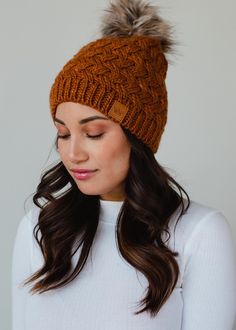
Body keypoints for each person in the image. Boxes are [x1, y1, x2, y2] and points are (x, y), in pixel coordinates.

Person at [12, 0, 236, 329]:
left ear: (137, 137)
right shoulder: (40, 229)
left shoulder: (199, 234)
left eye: (94, 133)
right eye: (62, 133)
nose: (72, 153)